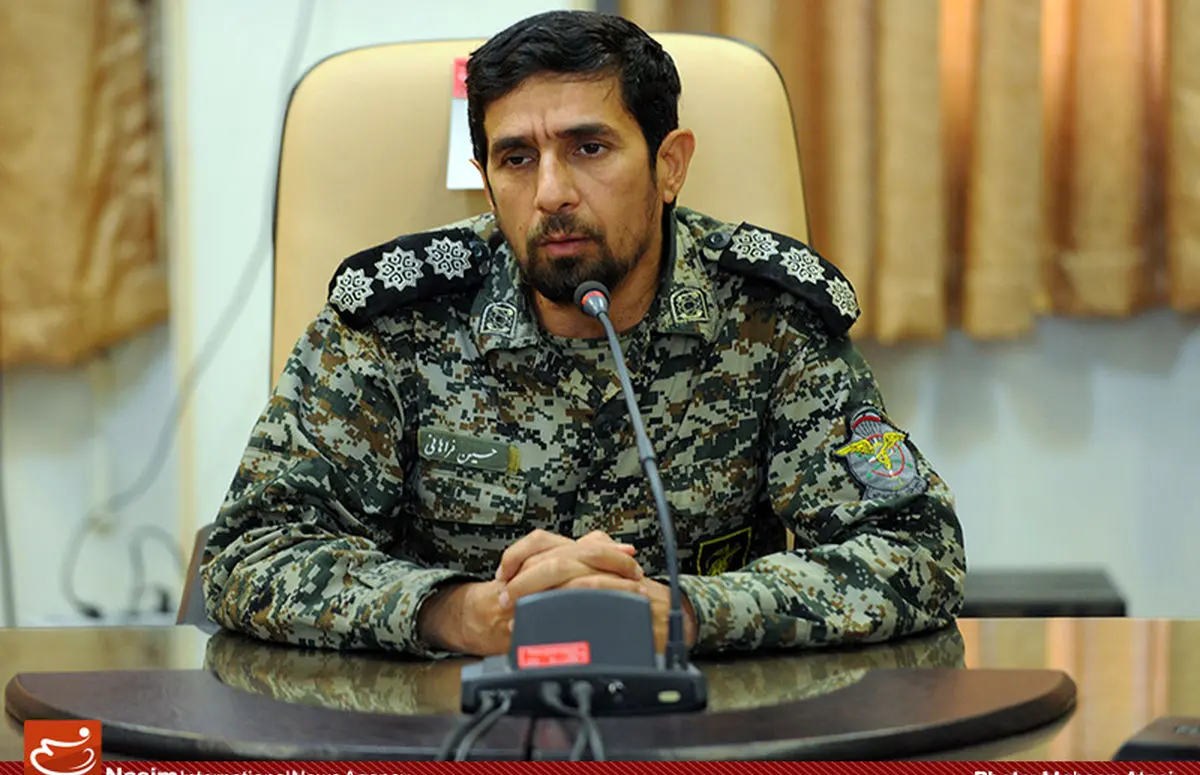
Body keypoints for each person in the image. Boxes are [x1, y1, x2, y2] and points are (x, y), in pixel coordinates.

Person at [200, 10, 966, 659]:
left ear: (670, 166)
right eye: (517, 159)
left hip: (703, 728)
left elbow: (916, 547)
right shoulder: (393, 322)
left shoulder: (770, 318)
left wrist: (689, 612)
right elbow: (250, 554)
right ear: (486, 177)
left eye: (588, 149)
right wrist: (456, 612)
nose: (552, 193)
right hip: (450, 729)